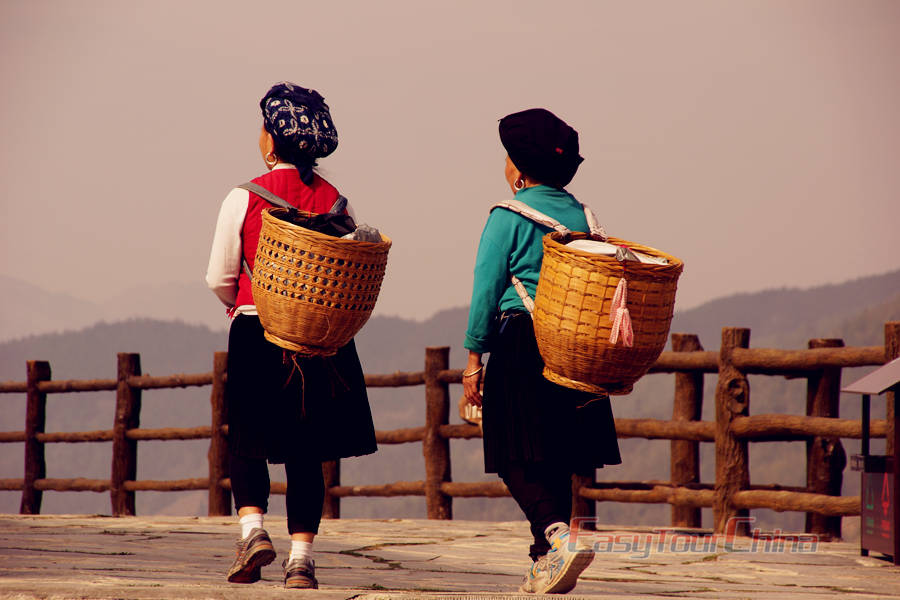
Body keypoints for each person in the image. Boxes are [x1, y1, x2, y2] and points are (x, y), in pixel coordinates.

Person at [206, 82, 377, 590]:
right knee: (307, 449)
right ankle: (301, 561)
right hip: (320, 338)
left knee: (248, 437)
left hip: (257, 327)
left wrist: (240, 307)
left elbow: (219, 276)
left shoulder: (244, 197)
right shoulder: (337, 203)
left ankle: (253, 530)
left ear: (270, 140)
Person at [463, 108, 622, 594]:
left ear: (519, 167)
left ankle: (556, 536)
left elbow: (485, 289)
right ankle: (545, 561)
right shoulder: (585, 216)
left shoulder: (507, 217)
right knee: (555, 455)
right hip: (573, 344)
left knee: (510, 451)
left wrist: (473, 359)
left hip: (523, 340)